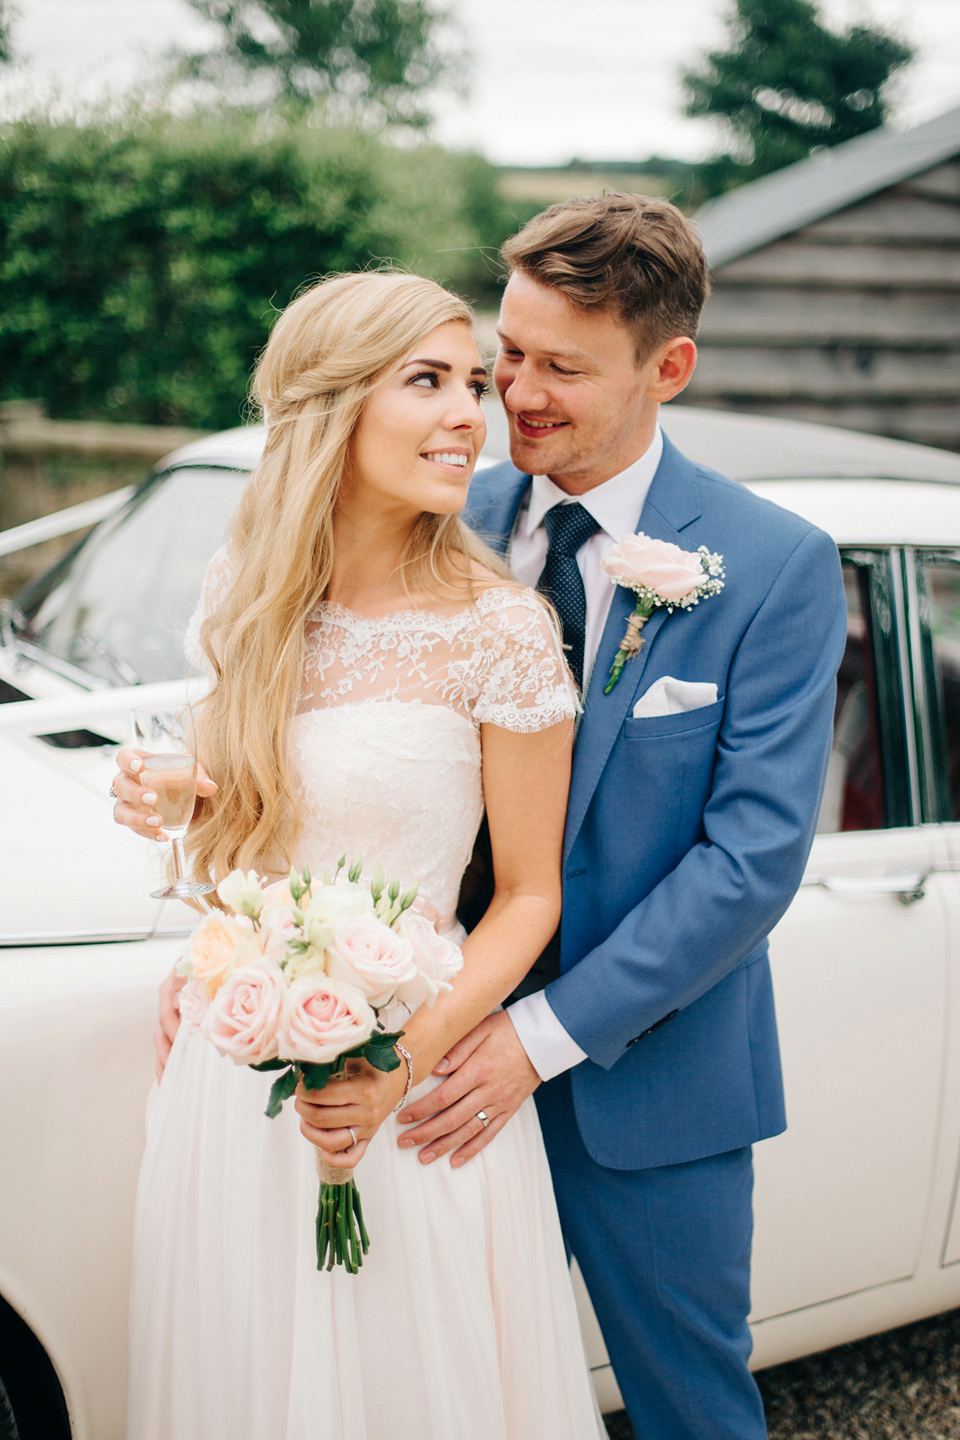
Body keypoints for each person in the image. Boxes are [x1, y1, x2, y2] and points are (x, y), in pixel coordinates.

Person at [376, 195, 848, 1440]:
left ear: (668, 368)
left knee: (692, 1408)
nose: (515, 395)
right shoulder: (440, 520)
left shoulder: (775, 563)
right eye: (508, 355)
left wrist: (536, 1039)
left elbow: (748, 866)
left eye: (560, 368)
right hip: (429, 1058)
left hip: (654, 1090)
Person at [111, 270, 605, 1440]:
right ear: (330, 410)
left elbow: (529, 897)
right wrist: (186, 815)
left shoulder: (502, 629)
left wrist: (398, 1065)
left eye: (472, 385)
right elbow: (250, 840)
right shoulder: (246, 599)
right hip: (235, 1083)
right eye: (426, 382)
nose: (469, 416)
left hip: (405, 1081)